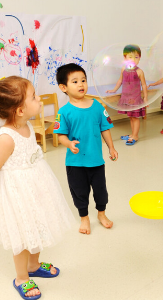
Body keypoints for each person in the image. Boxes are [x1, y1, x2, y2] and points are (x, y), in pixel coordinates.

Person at [0, 76, 75, 300]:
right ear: (20, 110)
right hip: (18, 193)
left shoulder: (29, 125)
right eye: (34, 97)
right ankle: (22, 277)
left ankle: (34, 265)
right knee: (23, 235)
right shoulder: (6, 138)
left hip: (37, 185)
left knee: (39, 225)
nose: (39, 98)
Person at [54, 63, 118, 235]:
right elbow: (60, 135)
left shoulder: (97, 106)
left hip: (96, 160)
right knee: (79, 192)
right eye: (74, 81)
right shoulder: (64, 111)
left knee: (101, 191)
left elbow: (105, 128)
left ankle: (101, 214)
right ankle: (84, 218)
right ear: (63, 87)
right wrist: (69, 144)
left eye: (83, 80)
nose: (81, 84)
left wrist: (111, 147)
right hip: (75, 163)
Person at [106, 44, 147, 146]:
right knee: (130, 116)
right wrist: (114, 90)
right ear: (125, 58)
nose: (133, 59)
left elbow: (144, 85)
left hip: (135, 98)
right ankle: (132, 134)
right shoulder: (123, 69)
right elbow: (120, 80)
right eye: (130, 57)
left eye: (136, 57)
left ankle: (135, 136)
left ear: (139, 58)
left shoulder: (139, 71)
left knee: (135, 117)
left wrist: (145, 98)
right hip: (126, 98)